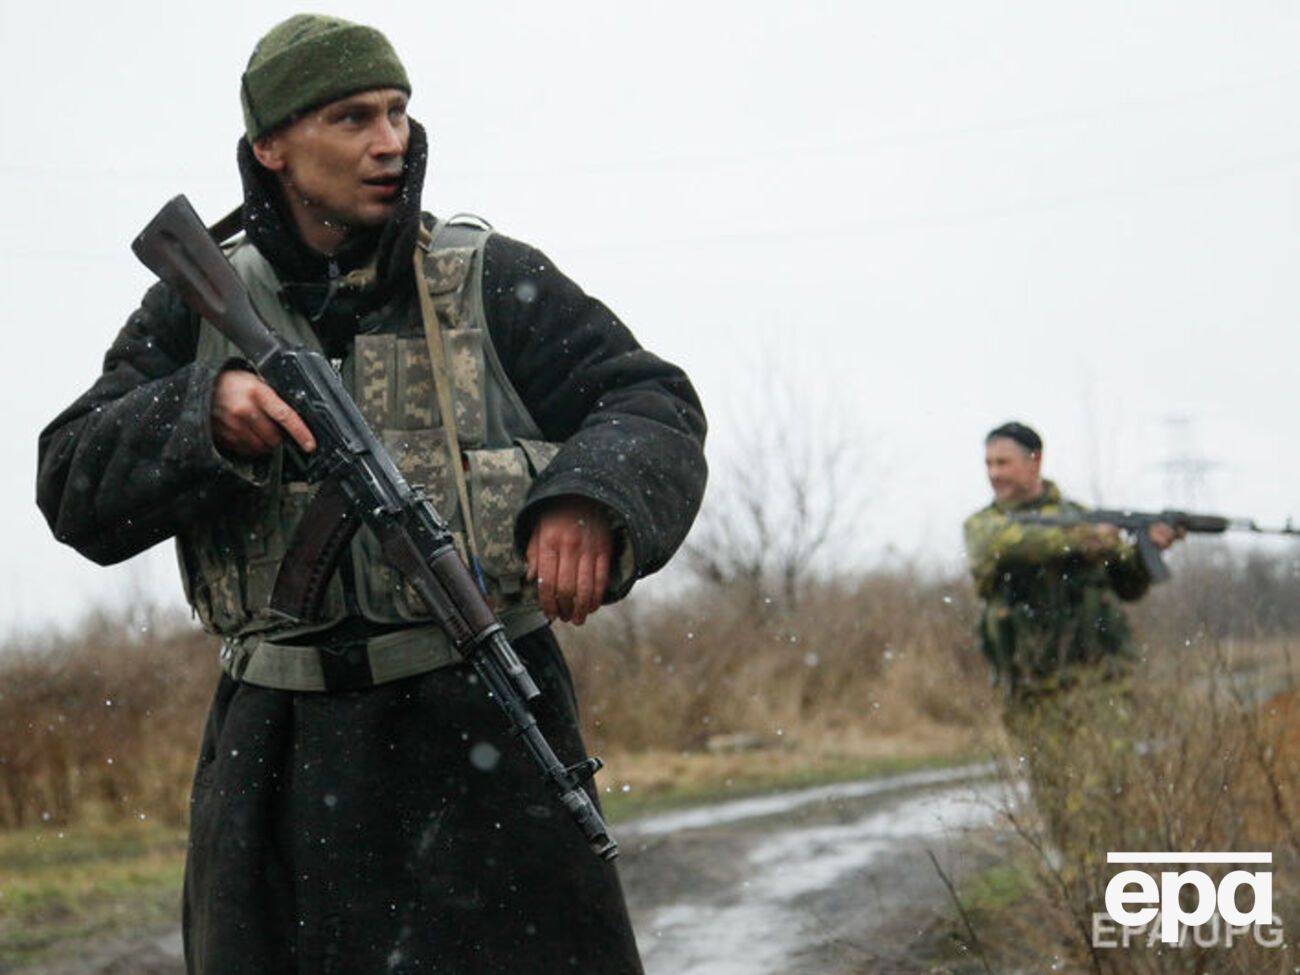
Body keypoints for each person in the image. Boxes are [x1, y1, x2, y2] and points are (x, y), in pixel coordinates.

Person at [37, 14, 706, 974]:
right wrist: (202, 411)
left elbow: (650, 401)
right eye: (351, 118)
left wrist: (590, 497)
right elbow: (70, 479)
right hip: (279, 754)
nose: (389, 140)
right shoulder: (197, 305)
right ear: (271, 146)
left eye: (397, 111)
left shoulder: (486, 278)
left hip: (485, 733)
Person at [963, 421, 1179, 861]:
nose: (994, 473)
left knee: (1109, 786)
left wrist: (1147, 549)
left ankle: (1122, 886)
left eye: (1003, 462)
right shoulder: (986, 525)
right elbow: (1010, 546)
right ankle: (1082, 894)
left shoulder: (1086, 517)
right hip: (1032, 691)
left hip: (1098, 682)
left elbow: (1128, 585)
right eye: (989, 463)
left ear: (1034, 462)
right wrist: (1083, 539)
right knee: (1060, 799)